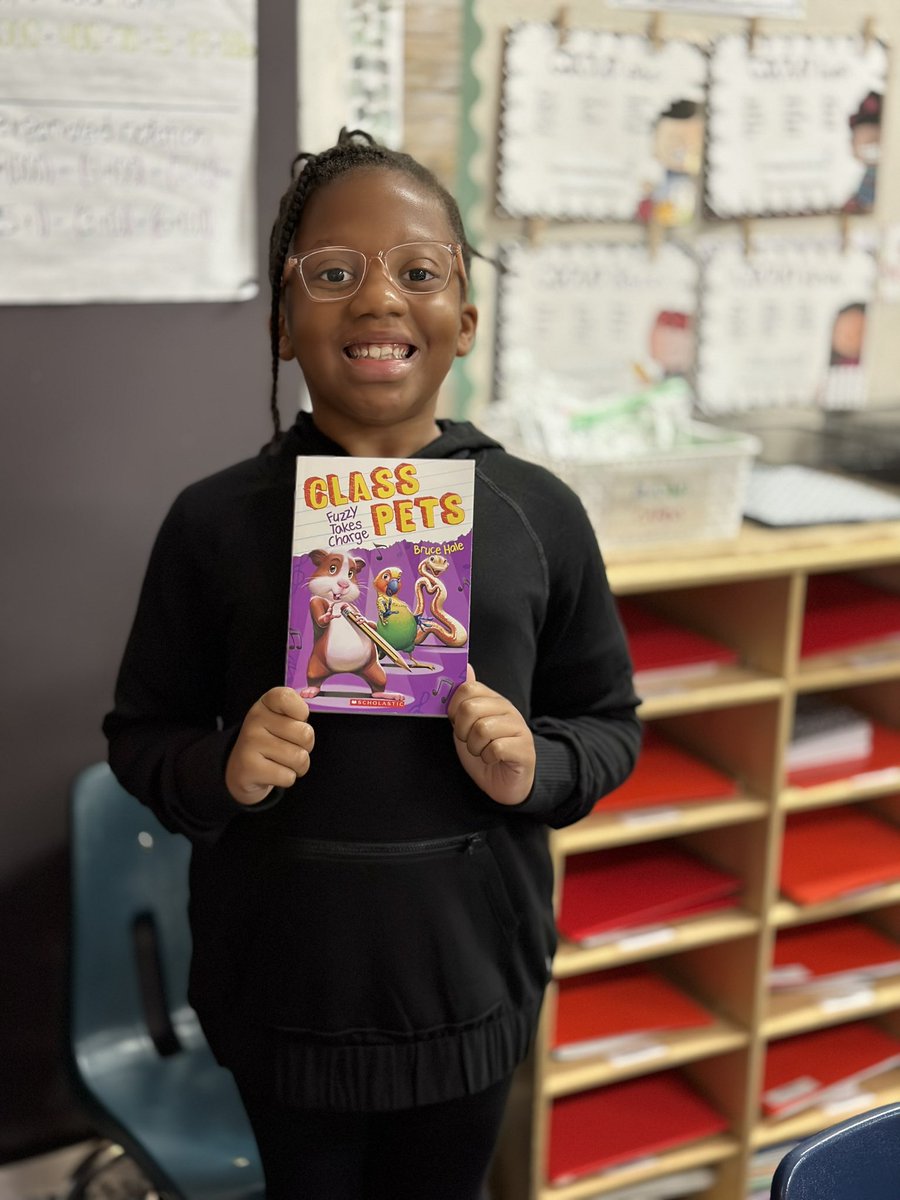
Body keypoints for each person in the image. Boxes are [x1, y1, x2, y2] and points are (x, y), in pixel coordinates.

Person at [103, 128, 641, 1200]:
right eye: (334, 273)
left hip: (472, 983)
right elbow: (141, 735)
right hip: (281, 990)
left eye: (419, 272)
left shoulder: (536, 514)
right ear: (283, 321)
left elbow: (610, 721)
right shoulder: (214, 523)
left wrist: (536, 765)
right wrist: (224, 771)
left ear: (465, 321)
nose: (379, 299)